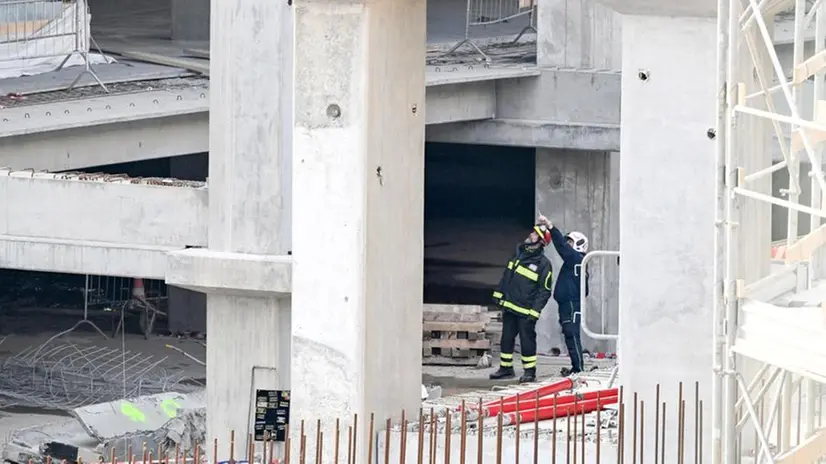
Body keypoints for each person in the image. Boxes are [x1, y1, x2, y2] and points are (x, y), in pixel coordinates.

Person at [489, 221, 554, 383]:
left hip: (526, 312)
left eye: (534, 234)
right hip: (510, 306)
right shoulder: (519, 254)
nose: (530, 235)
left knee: (527, 342)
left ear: (540, 242)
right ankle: (506, 368)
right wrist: (499, 293)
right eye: (532, 233)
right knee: (506, 338)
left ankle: (530, 372)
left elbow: (544, 291)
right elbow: (507, 276)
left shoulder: (544, 264)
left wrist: (535, 311)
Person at [538, 215, 589, 377]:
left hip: (571, 304)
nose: (568, 245)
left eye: (571, 242)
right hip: (567, 303)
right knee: (569, 334)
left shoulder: (576, 259)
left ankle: (579, 368)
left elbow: (560, 246)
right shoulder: (575, 261)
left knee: (572, 334)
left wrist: (551, 227)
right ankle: (576, 367)